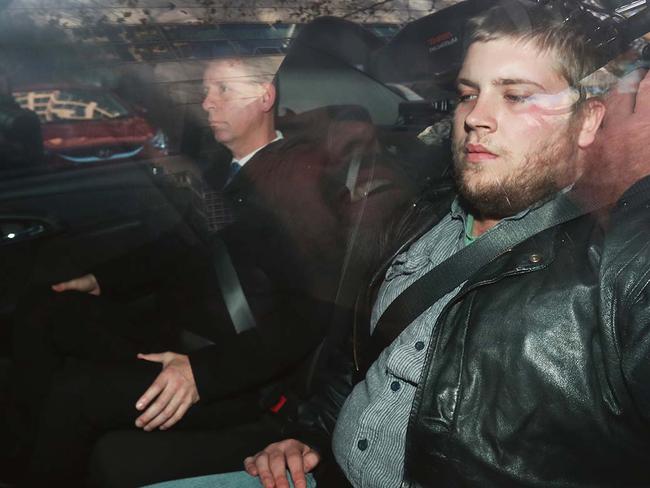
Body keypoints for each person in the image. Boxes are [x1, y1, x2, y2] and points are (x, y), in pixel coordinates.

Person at [170, 2, 650, 487]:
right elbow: (364, 359)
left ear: (588, 121)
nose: (476, 117)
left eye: (517, 96)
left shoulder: (623, 265)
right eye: (468, 94)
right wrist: (307, 436)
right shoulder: (425, 214)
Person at [7, 53, 424, 487]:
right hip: (175, 329)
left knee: (75, 395)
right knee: (43, 308)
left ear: (265, 97)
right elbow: (183, 245)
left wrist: (201, 373)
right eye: (204, 91)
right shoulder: (229, 169)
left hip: (232, 367)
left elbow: (309, 314)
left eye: (223, 90)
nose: (207, 103)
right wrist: (101, 279)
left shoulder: (295, 180)